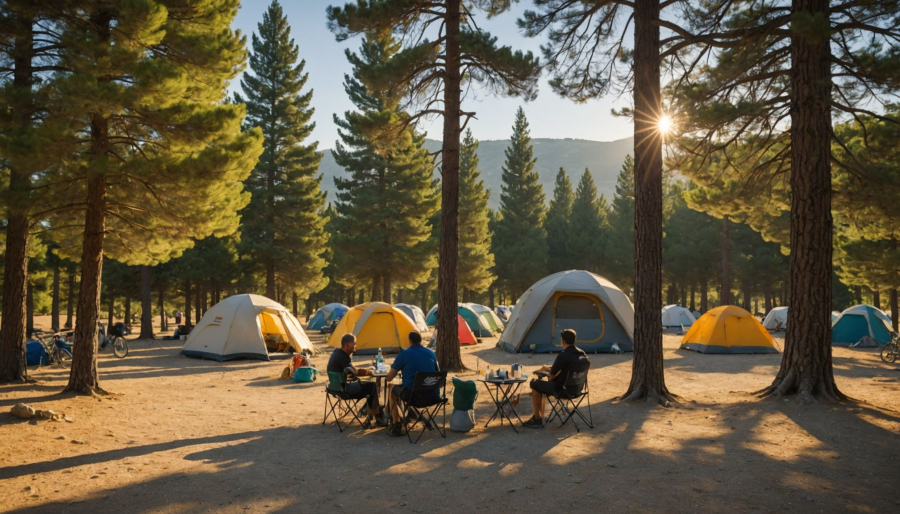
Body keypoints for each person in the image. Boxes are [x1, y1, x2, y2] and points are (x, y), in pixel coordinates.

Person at [523, 328, 589, 428]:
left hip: (561, 390)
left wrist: (548, 372)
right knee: (542, 384)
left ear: (563, 341)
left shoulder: (563, 355)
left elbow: (552, 377)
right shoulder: (582, 354)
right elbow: (569, 368)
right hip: (577, 389)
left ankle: (537, 418)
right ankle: (539, 417)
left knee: (535, 383)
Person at [385, 331, 439, 437]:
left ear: (409, 341)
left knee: (391, 387)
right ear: (421, 340)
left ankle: (396, 423)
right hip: (433, 396)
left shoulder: (404, 354)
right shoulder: (431, 353)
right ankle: (406, 416)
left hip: (413, 397)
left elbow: (389, 377)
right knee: (407, 387)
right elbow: (436, 374)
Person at [327, 333, 385, 428]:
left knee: (368, 386)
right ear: (348, 344)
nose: (355, 346)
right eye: (354, 344)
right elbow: (354, 372)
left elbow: (349, 371)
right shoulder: (343, 356)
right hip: (344, 390)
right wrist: (369, 372)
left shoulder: (337, 352)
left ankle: (373, 415)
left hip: (334, 387)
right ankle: (377, 417)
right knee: (372, 386)